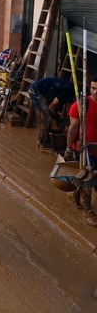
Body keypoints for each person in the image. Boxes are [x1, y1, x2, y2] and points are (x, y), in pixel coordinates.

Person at [65, 74, 97, 227]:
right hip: (83, 150)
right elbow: (73, 128)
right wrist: (68, 148)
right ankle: (88, 212)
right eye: (93, 88)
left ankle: (74, 195)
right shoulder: (81, 106)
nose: (96, 91)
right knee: (88, 180)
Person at [29, 77, 75, 150]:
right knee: (46, 118)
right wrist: (58, 120)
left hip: (45, 91)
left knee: (48, 116)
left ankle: (41, 140)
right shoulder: (68, 92)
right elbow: (51, 107)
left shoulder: (71, 92)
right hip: (36, 91)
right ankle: (44, 145)